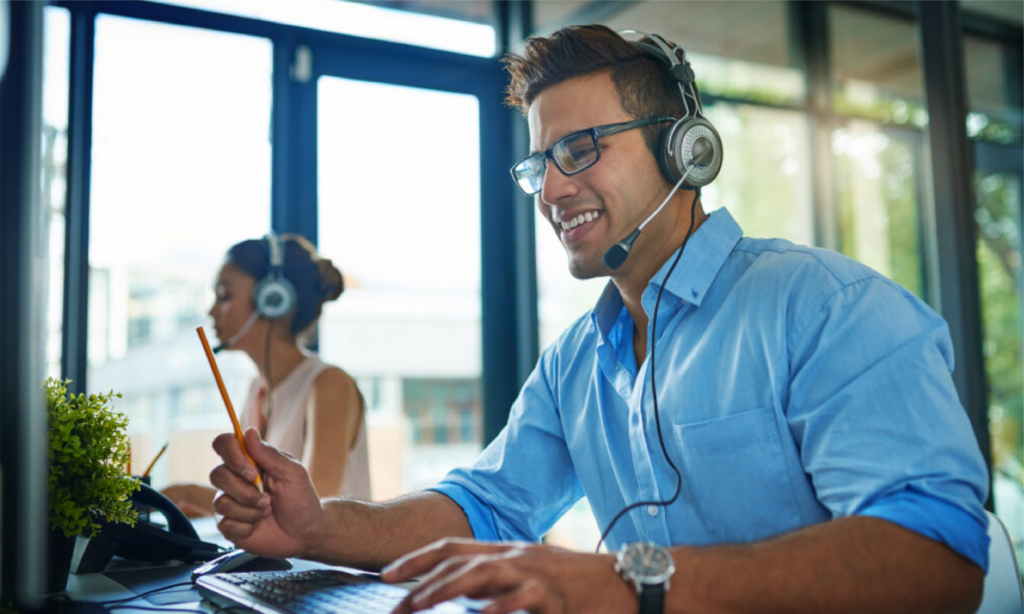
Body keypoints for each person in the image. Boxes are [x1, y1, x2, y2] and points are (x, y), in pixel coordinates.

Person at [208, 26, 989, 614]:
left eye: (579, 150)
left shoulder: (825, 306)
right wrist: (315, 528)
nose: (550, 191)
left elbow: (936, 555)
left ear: (686, 151)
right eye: (539, 163)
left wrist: (633, 581)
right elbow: (484, 505)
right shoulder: (578, 360)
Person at [164, 234, 370, 518]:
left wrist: (195, 498)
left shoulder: (328, 384)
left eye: (224, 295)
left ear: (272, 299)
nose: (211, 311)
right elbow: (255, 500)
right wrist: (186, 499)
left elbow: (311, 511)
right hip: (282, 562)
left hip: (329, 563)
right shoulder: (256, 391)